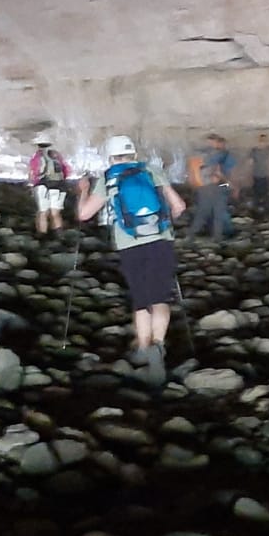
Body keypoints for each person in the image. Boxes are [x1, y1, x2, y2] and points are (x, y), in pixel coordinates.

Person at [76, 135, 187, 376]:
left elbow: (84, 214)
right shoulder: (152, 171)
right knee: (160, 297)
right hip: (161, 241)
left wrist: (83, 191)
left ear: (111, 157)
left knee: (141, 298)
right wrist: (164, 222)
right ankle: (159, 345)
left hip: (130, 244)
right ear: (134, 154)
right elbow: (179, 206)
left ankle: (144, 347)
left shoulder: (108, 178)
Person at [187, 133, 236, 242]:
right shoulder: (214, 155)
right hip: (213, 187)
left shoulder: (198, 155)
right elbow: (217, 172)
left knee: (204, 212)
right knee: (215, 212)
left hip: (203, 187)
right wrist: (229, 184)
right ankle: (215, 237)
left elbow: (192, 172)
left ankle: (193, 235)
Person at [28, 134, 74, 236]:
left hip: (42, 185)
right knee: (55, 213)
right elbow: (67, 171)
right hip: (59, 185)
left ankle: (42, 235)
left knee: (43, 212)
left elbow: (33, 172)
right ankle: (58, 235)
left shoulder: (37, 156)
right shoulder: (57, 156)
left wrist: (32, 185)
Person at [248, 133, 269, 216]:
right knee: (260, 193)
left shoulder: (267, 149)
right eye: (263, 141)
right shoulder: (255, 150)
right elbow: (250, 163)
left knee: (263, 193)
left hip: (263, 175)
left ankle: (261, 210)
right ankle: (261, 211)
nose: (263, 142)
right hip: (258, 174)